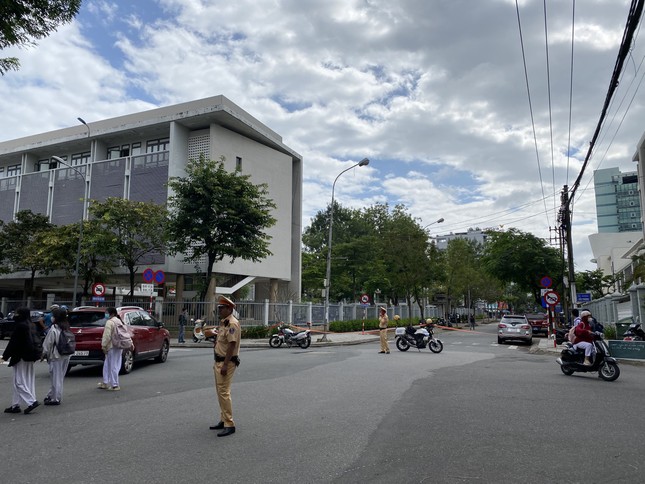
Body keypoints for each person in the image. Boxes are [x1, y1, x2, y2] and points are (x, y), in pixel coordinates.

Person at [209, 296, 241, 437]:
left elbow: (232, 345)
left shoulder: (232, 324)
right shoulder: (224, 323)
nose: (220, 310)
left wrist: (225, 364)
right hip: (219, 361)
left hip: (225, 363)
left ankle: (229, 423)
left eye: (222, 308)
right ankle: (223, 419)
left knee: (224, 393)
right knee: (220, 392)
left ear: (230, 308)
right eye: (219, 308)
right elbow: (223, 342)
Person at [2, 307, 40, 414]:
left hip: (21, 357)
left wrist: (4, 357)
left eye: (17, 313)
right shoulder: (32, 325)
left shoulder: (20, 326)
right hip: (30, 356)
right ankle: (15, 405)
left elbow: (13, 343)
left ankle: (31, 401)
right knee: (27, 380)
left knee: (18, 382)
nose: (15, 315)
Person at [41, 307, 72, 405]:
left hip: (56, 356)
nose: (52, 318)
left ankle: (55, 398)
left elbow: (47, 344)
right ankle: (52, 395)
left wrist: (43, 354)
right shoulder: (66, 327)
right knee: (60, 377)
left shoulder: (54, 329)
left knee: (55, 378)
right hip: (66, 355)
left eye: (53, 316)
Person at [98, 307, 124, 391]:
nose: (105, 314)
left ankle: (115, 385)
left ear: (111, 313)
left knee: (112, 365)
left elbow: (106, 336)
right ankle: (106, 382)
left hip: (111, 346)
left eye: (106, 312)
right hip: (118, 346)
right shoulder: (119, 321)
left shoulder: (109, 322)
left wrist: (103, 345)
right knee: (110, 364)